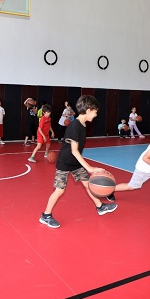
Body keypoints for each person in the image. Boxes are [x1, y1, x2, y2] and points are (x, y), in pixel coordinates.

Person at [39, 95, 118, 229]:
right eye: (95, 112)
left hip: (75, 162)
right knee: (59, 190)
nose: (96, 115)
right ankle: (46, 215)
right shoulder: (75, 126)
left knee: (88, 184)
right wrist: (90, 168)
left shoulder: (82, 125)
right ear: (88, 110)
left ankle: (100, 207)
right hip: (64, 162)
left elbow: (76, 153)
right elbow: (74, 150)